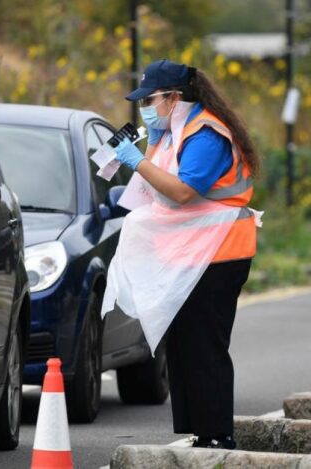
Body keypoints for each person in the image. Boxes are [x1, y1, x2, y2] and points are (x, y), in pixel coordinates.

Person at [101, 59, 261, 449]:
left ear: (174, 97)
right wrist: (145, 153)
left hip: (221, 252)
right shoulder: (174, 131)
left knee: (205, 343)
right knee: (184, 342)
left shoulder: (207, 133)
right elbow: (152, 187)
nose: (145, 108)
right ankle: (199, 431)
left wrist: (136, 160)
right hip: (191, 253)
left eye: (150, 99)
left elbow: (184, 191)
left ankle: (218, 434)